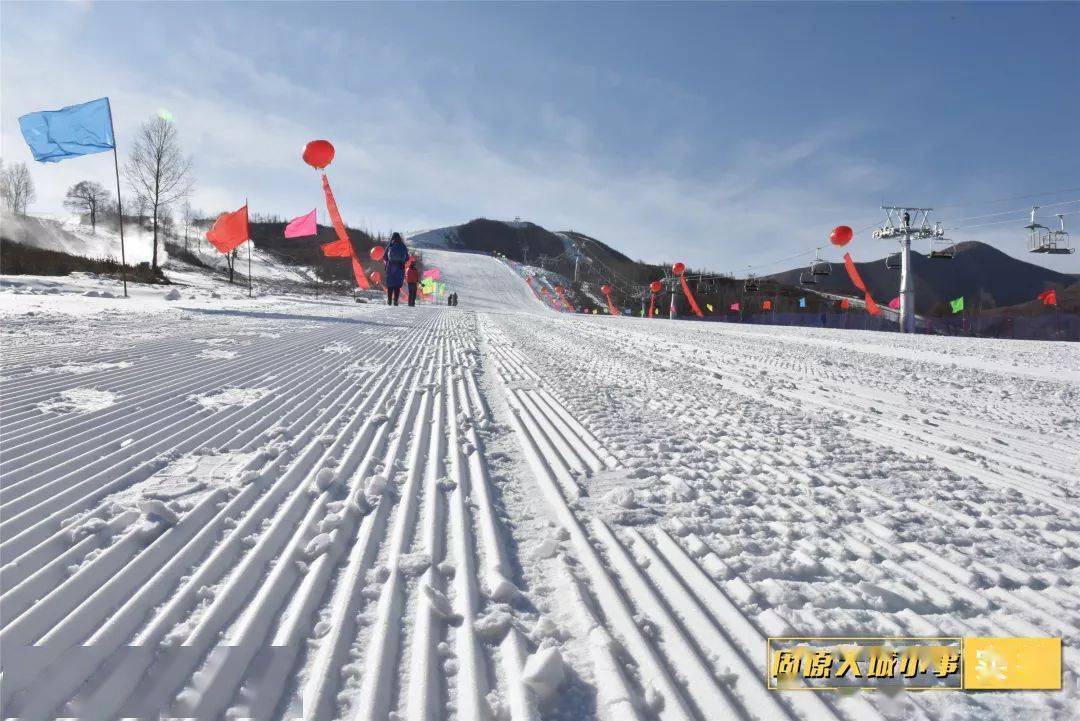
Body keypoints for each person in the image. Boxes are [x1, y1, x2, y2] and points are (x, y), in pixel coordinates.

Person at [383, 232, 409, 306]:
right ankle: (395, 301)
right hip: (400, 268)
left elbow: (384, 257)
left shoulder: (390, 245)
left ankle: (389, 300)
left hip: (390, 267)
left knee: (390, 285)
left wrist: (388, 262)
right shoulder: (403, 246)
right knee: (397, 285)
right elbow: (407, 258)